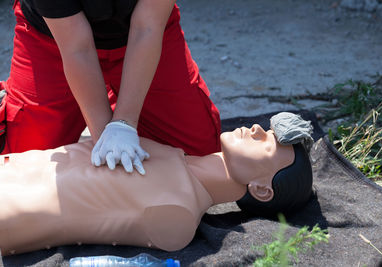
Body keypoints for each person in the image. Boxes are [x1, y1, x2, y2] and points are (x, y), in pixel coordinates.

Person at [0, 121, 313, 256]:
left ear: (261, 190)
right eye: (268, 131)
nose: (257, 129)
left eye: (267, 143)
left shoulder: (177, 217)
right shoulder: (176, 157)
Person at [0, 0, 221, 174]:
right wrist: (104, 141)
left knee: (200, 155)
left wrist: (124, 124)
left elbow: (147, 27)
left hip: (146, 34)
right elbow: (77, 47)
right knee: (23, 163)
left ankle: (121, 102)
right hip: (53, 41)